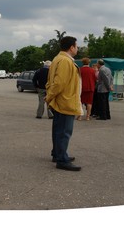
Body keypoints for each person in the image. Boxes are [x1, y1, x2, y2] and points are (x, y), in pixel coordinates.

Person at [46, 36, 83, 171]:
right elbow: (59, 83)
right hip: (65, 101)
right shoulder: (65, 61)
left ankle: (58, 153)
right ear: (71, 47)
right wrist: (49, 97)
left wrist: (50, 97)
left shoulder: (58, 58)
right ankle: (61, 159)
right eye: (76, 46)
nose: (77, 48)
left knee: (58, 129)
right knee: (64, 131)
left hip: (61, 101)